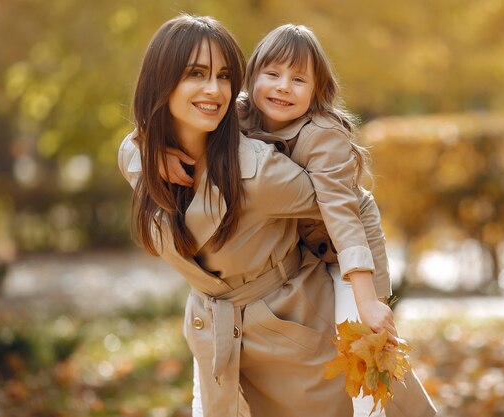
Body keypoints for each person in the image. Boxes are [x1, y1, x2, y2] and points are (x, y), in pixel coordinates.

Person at [162, 24, 436, 417]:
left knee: (364, 353)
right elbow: (169, 122)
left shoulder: (322, 135)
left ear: (317, 90)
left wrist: (367, 299)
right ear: (251, 78)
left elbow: (342, 214)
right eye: (272, 74)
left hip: (349, 253)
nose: (283, 87)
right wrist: (150, 148)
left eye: (298, 79)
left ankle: (371, 412)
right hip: (303, 244)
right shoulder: (235, 114)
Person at [117, 14, 354, 417]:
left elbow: (354, 205)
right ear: (162, 81)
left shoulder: (260, 171)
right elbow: (132, 146)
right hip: (214, 338)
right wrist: (146, 148)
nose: (214, 89)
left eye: (224, 75)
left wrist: (366, 296)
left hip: (290, 332)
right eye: (196, 73)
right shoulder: (141, 158)